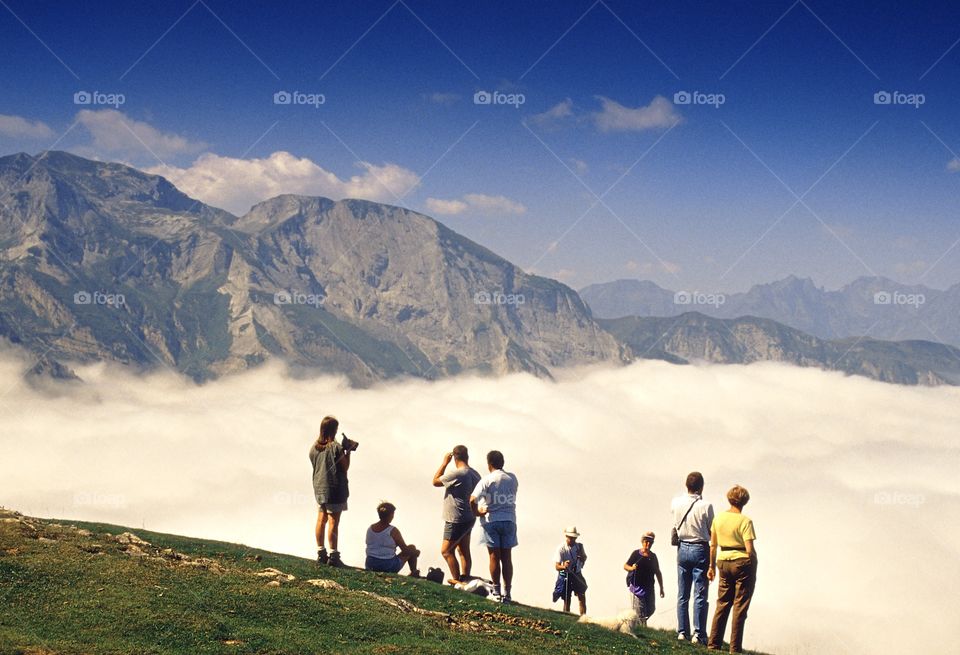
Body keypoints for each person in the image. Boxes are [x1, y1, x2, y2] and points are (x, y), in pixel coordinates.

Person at [707, 485, 758, 653]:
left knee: (722, 603)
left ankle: (713, 644)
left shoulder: (718, 519)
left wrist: (711, 567)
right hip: (742, 562)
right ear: (745, 501)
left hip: (723, 561)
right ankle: (734, 648)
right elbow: (749, 549)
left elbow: (713, 546)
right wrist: (753, 564)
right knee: (739, 606)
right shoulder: (745, 521)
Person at [671, 471, 715, 644]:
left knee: (683, 594)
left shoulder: (676, 502)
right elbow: (711, 530)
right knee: (700, 594)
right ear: (701, 487)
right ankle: (699, 634)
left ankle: (682, 632)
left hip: (682, 547)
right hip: (700, 548)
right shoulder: (706, 506)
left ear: (686, 485)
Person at [470, 450, 519, 604]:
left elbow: (472, 499)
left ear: (489, 463)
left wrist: (477, 512)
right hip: (509, 520)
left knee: (494, 557)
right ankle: (508, 593)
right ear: (502, 462)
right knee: (507, 558)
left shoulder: (487, 480)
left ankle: (496, 592)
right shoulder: (512, 478)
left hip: (491, 521)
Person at [432, 445, 482, 584]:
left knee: (446, 551)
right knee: (463, 550)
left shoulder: (458, 473)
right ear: (467, 456)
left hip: (456, 518)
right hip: (469, 516)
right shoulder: (475, 474)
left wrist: (444, 463)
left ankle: (456, 580)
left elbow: (435, 481)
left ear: (454, 458)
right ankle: (465, 577)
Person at [309, 416, 350, 567]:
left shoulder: (314, 447)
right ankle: (333, 556)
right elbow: (345, 467)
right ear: (333, 430)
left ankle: (321, 553)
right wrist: (348, 451)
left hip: (319, 487)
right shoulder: (336, 447)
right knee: (333, 521)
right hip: (335, 489)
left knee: (321, 519)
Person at [364, 501, 421, 576]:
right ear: (390, 515)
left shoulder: (370, 529)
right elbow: (405, 550)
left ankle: (414, 572)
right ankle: (414, 572)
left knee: (411, 550)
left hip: (370, 564)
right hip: (387, 566)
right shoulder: (393, 531)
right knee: (412, 547)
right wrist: (415, 552)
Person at [624, 531, 665, 626]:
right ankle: (641, 629)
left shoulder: (653, 557)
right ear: (642, 542)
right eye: (646, 541)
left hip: (649, 588)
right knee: (641, 612)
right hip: (637, 588)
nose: (648, 544)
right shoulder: (636, 554)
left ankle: (634, 624)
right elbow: (625, 566)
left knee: (651, 609)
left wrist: (661, 588)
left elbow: (658, 572)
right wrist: (632, 568)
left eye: (650, 542)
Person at [553, 526, 588, 615]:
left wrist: (581, 557)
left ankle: (583, 617)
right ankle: (566, 615)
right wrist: (564, 566)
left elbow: (584, 557)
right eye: (570, 537)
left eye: (574, 538)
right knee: (566, 597)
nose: (572, 539)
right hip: (565, 573)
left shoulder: (579, 547)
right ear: (567, 537)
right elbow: (557, 566)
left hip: (577, 573)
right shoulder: (561, 548)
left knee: (581, 595)